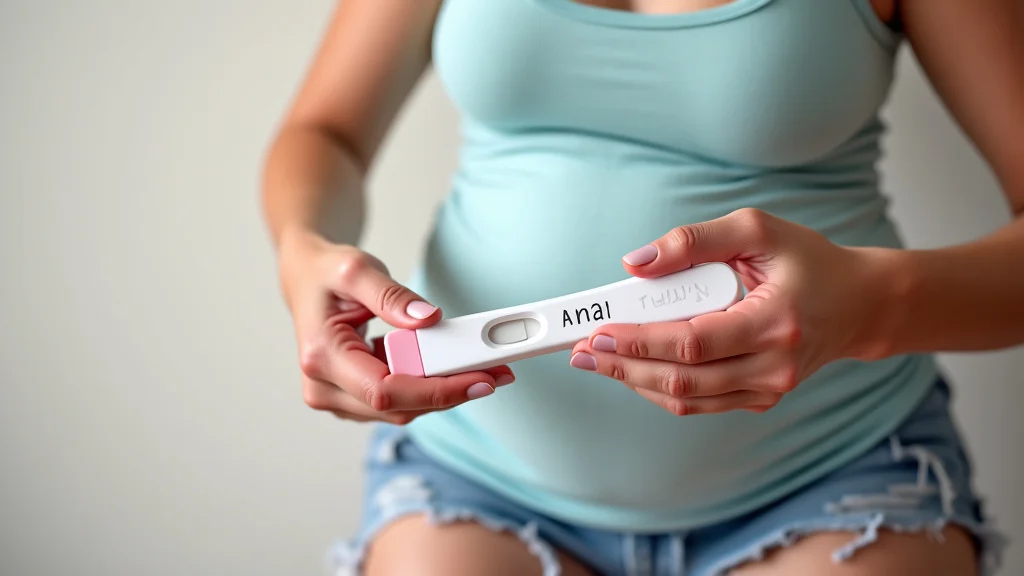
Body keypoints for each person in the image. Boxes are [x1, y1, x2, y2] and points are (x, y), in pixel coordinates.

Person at [260, 0, 1021, 574]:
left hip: (836, 469)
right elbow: (325, 131)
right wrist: (305, 254)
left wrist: (866, 308)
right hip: (476, 474)